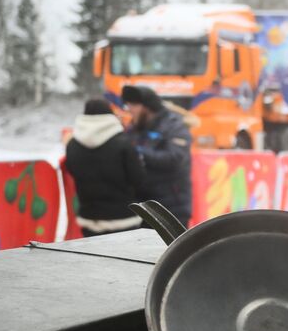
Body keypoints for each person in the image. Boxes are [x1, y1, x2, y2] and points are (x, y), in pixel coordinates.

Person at [64, 99, 151, 236]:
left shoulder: (72, 145)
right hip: (123, 219)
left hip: (89, 219)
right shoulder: (123, 144)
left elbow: (71, 170)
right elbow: (138, 179)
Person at [121, 84, 193, 225]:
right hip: (143, 205)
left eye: (134, 105)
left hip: (172, 209)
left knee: (170, 248)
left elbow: (175, 158)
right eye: (128, 105)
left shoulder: (175, 125)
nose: (129, 109)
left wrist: (139, 153)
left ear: (147, 107)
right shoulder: (134, 128)